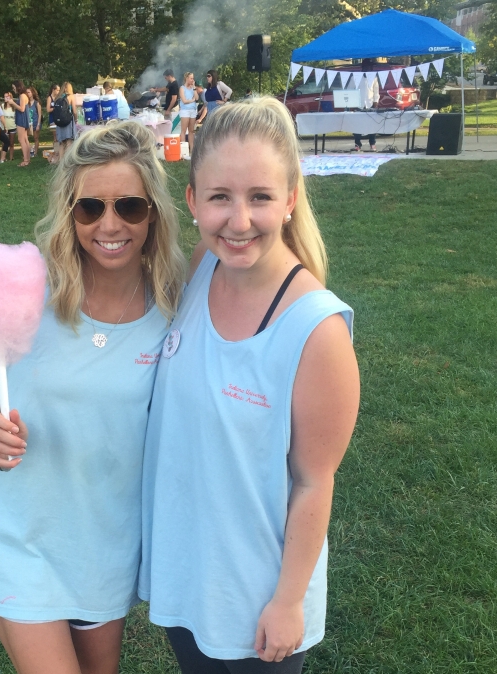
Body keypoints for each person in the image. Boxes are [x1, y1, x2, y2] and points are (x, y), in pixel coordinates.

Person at [0, 120, 186, 674]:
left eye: (129, 206)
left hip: (104, 539)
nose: (109, 224)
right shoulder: (26, 292)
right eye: (90, 209)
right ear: (69, 213)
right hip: (18, 532)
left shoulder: (176, 304)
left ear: (152, 212)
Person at [140, 98, 360, 673]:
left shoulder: (317, 329)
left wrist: (288, 602)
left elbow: (315, 482)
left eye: (260, 197)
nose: (238, 221)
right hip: (189, 577)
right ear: (192, 201)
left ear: (290, 199)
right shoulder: (203, 267)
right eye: (220, 197)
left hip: (261, 601)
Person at [353, 59, 380, 152]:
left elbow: (376, 92)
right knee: (357, 126)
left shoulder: (374, 78)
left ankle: (372, 144)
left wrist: (376, 102)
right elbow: (350, 90)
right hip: (358, 105)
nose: (370, 68)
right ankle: (357, 144)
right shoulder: (356, 77)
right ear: (363, 67)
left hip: (370, 104)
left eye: (371, 67)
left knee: (372, 125)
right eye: (368, 67)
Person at [6, 80, 32, 166]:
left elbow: (22, 109)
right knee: (25, 139)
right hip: (24, 118)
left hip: (21, 119)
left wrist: (12, 103)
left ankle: (25, 160)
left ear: (18, 87)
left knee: (21, 139)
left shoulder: (22, 96)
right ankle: (28, 159)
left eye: (14, 87)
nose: (13, 89)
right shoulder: (24, 95)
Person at [54, 82, 78, 161]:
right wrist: (76, 119)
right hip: (68, 121)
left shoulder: (57, 97)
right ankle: (68, 160)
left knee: (61, 142)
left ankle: (61, 161)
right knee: (69, 141)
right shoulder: (71, 97)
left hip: (59, 122)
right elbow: (74, 111)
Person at [178, 72, 199, 154]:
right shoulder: (182, 88)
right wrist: (192, 100)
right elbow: (184, 100)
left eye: (193, 78)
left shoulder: (193, 88)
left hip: (193, 110)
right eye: (191, 78)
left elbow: (197, 98)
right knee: (183, 130)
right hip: (185, 110)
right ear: (186, 78)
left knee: (191, 131)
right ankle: (183, 150)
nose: (192, 80)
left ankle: (192, 149)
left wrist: (194, 88)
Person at [27, 86, 43, 158]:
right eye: (26, 92)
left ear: (32, 93)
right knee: (26, 138)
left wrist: (38, 124)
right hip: (28, 123)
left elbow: (39, 114)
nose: (27, 94)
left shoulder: (37, 103)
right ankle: (29, 151)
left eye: (29, 92)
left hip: (36, 122)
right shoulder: (26, 103)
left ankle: (35, 152)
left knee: (36, 138)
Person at [2, 93, 18, 161]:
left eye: (7, 97)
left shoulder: (14, 107)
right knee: (4, 143)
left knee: (11, 143)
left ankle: (11, 158)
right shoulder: (2, 106)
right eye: (5, 97)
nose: (6, 98)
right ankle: (3, 157)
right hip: (5, 127)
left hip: (13, 127)